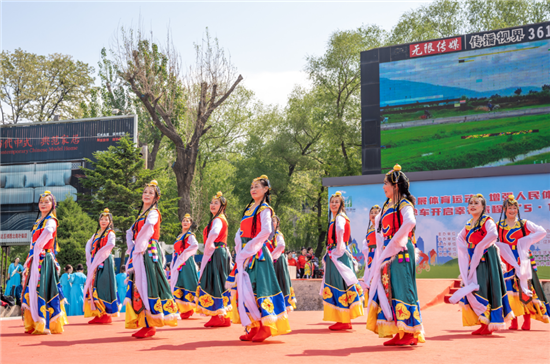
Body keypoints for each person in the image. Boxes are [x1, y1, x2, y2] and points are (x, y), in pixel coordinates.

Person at [365, 165, 425, 346]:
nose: (383, 187)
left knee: (403, 286)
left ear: (396, 185)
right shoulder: (387, 205)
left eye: (386, 183)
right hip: (389, 250)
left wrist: (395, 242)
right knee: (390, 287)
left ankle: (409, 332)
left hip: (400, 250)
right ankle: (402, 330)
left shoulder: (403, 204)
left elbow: (410, 222)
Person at [231, 175, 291, 342]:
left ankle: (266, 326)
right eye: (252, 186)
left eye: (257, 186)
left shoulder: (265, 209)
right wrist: (239, 248)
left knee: (260, 289)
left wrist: (248, 249)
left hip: (257, 254)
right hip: (246, 253)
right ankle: (254, 325)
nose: (253, 189)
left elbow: (265, 231)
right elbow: (241, 231)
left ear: (266, 189)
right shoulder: (250, 208)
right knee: (246, 289)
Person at [449, 193, 514, 335]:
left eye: (476, 203)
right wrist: (467, 251)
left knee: (484, 288)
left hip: (486, 259)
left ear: (483, 207)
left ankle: (487, 324)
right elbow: (460, 238)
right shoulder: (469, 224)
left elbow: (493, 234)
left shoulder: (487, 221)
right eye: (470, 203)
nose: (472, 205)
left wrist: (479, 247)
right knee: (475, 288)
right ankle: (483, 322)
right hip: (474, 259)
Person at [124, 180, 178, 338]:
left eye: (150, 193)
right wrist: (131, 246)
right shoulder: (142, 214)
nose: (146, 194)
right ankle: (144, 321)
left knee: (148, 283)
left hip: (148, 250)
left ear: (156, 197)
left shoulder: (153, 213)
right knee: (139, 285)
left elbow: (149, 227)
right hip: (140, 250)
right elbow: (130, 231)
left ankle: (151, 323)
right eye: (145, 192)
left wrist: (138, 247)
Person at [496, 194, 549, 330]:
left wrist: (526, 241)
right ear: (504, 209)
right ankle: (514, 321)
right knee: (510, 291)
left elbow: (541, 231)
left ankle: (527, 321)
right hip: (507, 260)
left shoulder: (524, 223)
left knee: (525, 288)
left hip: (523, 258)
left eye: (514, 208)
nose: (512, 210)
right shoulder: (498, 226)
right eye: (509, 207)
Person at [21, 190, 68, 334]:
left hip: (44, 259)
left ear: (52, 204)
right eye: (41, 202)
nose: (43, 204)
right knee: (32, 288)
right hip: (35, 257)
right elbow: (32, 242)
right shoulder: (38, 222)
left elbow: (47, 234)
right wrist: (30, 257)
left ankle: (44, 324)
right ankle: (35, 322)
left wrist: (37, 249)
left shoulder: (51, 220)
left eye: (47, 202)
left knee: (41, 289)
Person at [321, 191, 363, 331]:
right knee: (342, 283)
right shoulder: (336, 218)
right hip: (336, 254)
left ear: (341, 204)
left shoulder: (339, 218)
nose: (333, 204)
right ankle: (344, 319)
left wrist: (338, 249)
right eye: (332, 202)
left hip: (338, 254)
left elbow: (340, 231)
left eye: (336, 202)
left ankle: (344, 319)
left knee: (339, 283)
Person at [196, 192, 232, 327]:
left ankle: (218, 315)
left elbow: (215, 233)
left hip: (215, 252)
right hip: (218, 252)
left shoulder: (218, 220)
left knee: (215, 281)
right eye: (211, 203)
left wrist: (209, 245)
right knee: (221, 281)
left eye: (216, 203)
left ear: (223, 206)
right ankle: (223, 315)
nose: (212, 205)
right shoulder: (218, 218)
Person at [83, 208, 120, 324]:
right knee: (95, 286)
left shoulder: (110, 233)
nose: (103, 221)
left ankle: (106, 314)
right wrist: (90, 257)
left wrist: (99, 255)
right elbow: (88, 246)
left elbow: (111, 244)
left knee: (103, 287)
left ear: (110, 221)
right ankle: (99, 313)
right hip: (95, 263)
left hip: (104, 262)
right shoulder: (95, 235)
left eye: (106, 219)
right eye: (102, 219)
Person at [170, 213, 199, 321]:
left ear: (190, 224)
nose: (185, 222)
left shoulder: (190, 235)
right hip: (178, 260)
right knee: (179, 282)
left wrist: (184, 255)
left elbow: (195, 245)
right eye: (184, 220)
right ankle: (184, 308)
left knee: (186, 282)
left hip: (185, 262)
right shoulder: (179, 236)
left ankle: (189, 308)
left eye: (188, 221)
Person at [268, 215, 296, 311]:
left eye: (273, 221)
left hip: (278, 261)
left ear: (278, 224)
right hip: (270, 262)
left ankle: (283, 305)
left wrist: (271, 256)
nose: (271, 223)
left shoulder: (278, 235)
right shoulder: (266, 236)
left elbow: (281, 245)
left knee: (280, 281)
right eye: (269, 221)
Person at [359, 205, 382, 303]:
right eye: (371, 212)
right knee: (370, 276)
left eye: (376, 212)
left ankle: (378, 300)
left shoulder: (381, 227)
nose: (373, 214)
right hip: (370, 256)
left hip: (378, 254)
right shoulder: (370, 228)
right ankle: (371, 301)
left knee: (377, 276)